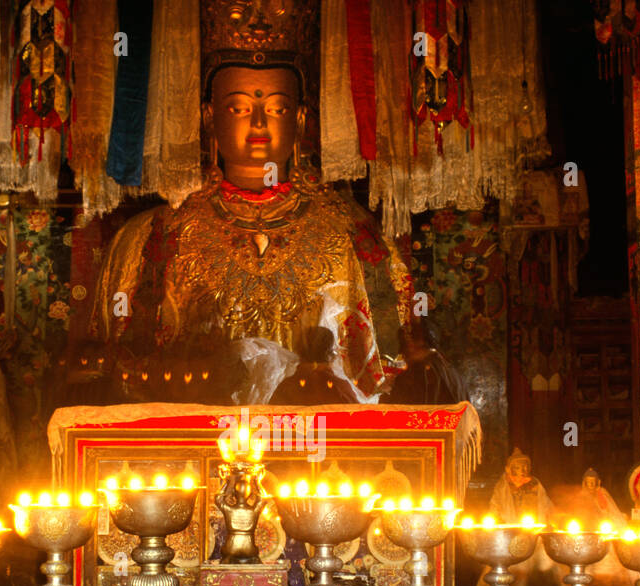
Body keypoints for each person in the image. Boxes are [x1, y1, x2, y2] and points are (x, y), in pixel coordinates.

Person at [91, 2, 412, 403]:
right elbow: (120, 371)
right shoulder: (150, 238)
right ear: (209, 116)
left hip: (323, 450)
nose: (258, 123)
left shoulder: (353, 234)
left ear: (300, 118)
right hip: (194, 447)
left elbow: (390, 364)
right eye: (239, 107)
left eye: (277, 108)